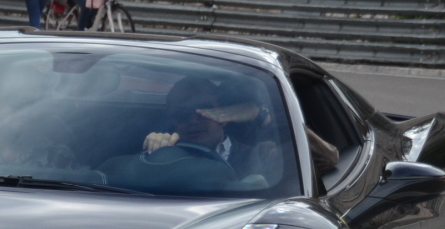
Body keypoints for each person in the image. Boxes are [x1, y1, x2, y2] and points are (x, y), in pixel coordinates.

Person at [142, 77, 339, 181]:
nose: (194, 120)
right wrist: (154, 156)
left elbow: (327, 158)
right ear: (172, 122)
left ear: (225, 116)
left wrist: (262, 116)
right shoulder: (162, 156)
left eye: (204, 111)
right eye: (182, 114)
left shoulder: (260, 154)